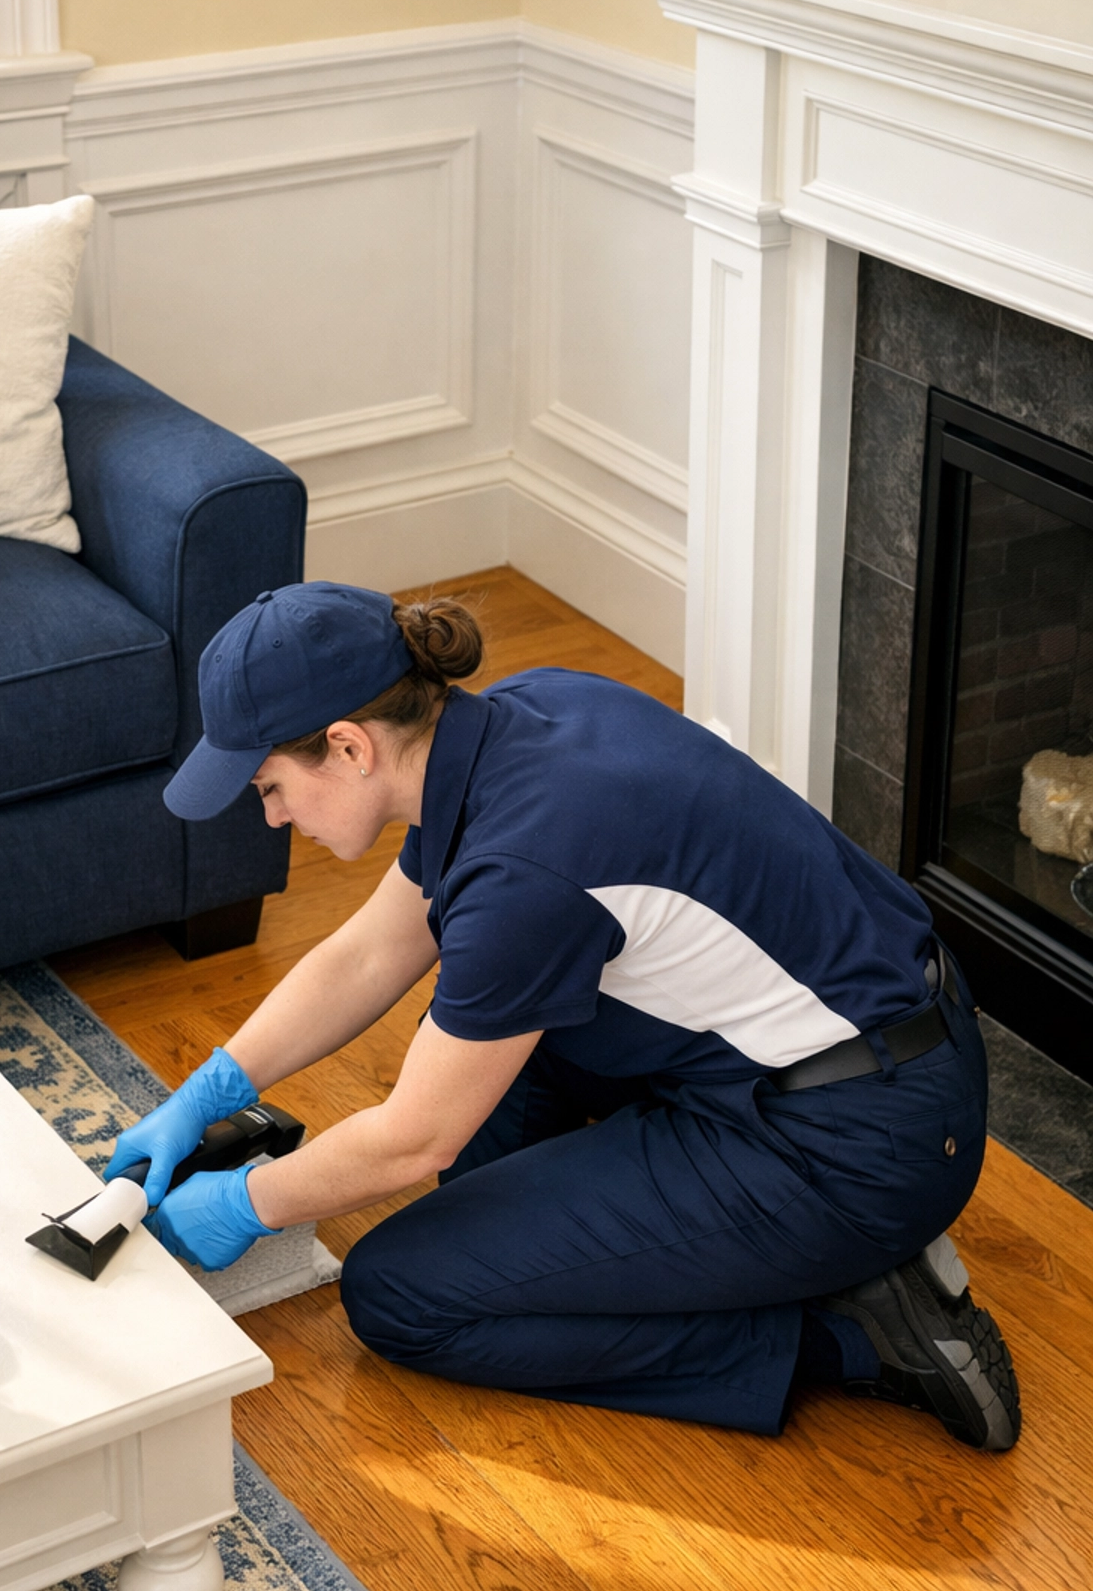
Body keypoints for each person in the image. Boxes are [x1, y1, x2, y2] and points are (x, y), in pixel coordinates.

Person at [105, 581, 1020, 1452]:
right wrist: (212, 1087)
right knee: (477, 1118)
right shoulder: (523, 713)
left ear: (349, 746)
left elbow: (409, 1141)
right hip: (859, 1043)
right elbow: (370, 953)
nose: (270, 817)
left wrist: (245, 1205)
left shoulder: (524, 870)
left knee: (404, 1295)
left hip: (860, 1143)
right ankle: (704, 1244)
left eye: (268, 786)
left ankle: (857, 1334)